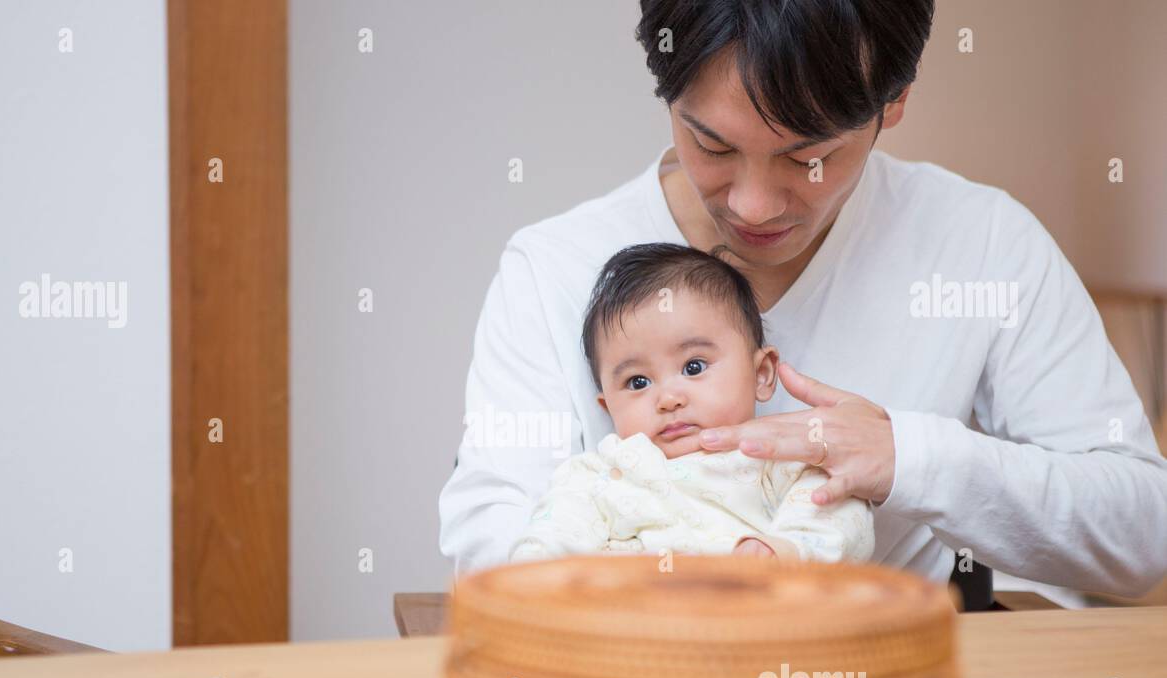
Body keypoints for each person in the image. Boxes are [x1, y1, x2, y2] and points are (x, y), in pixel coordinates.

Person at [439, 0, 1167, 600]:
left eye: (806, 155)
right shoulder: (554, 268)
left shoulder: (980, 244)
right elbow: (493, 549)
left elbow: (1143, 535)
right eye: (713, 145)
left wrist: (909, 460)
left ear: (897, 98)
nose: (754, 206)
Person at [509, 242, 874, 564]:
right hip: (632, 624)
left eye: (693, 367)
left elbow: (841, 515)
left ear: (761, 373)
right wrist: (533, 570)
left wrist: (785, 551)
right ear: (608, 408)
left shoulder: (778, 459)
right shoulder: (600, 473)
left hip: (751, 617)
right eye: (638, 382)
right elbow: (556, 529)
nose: (668, 398)